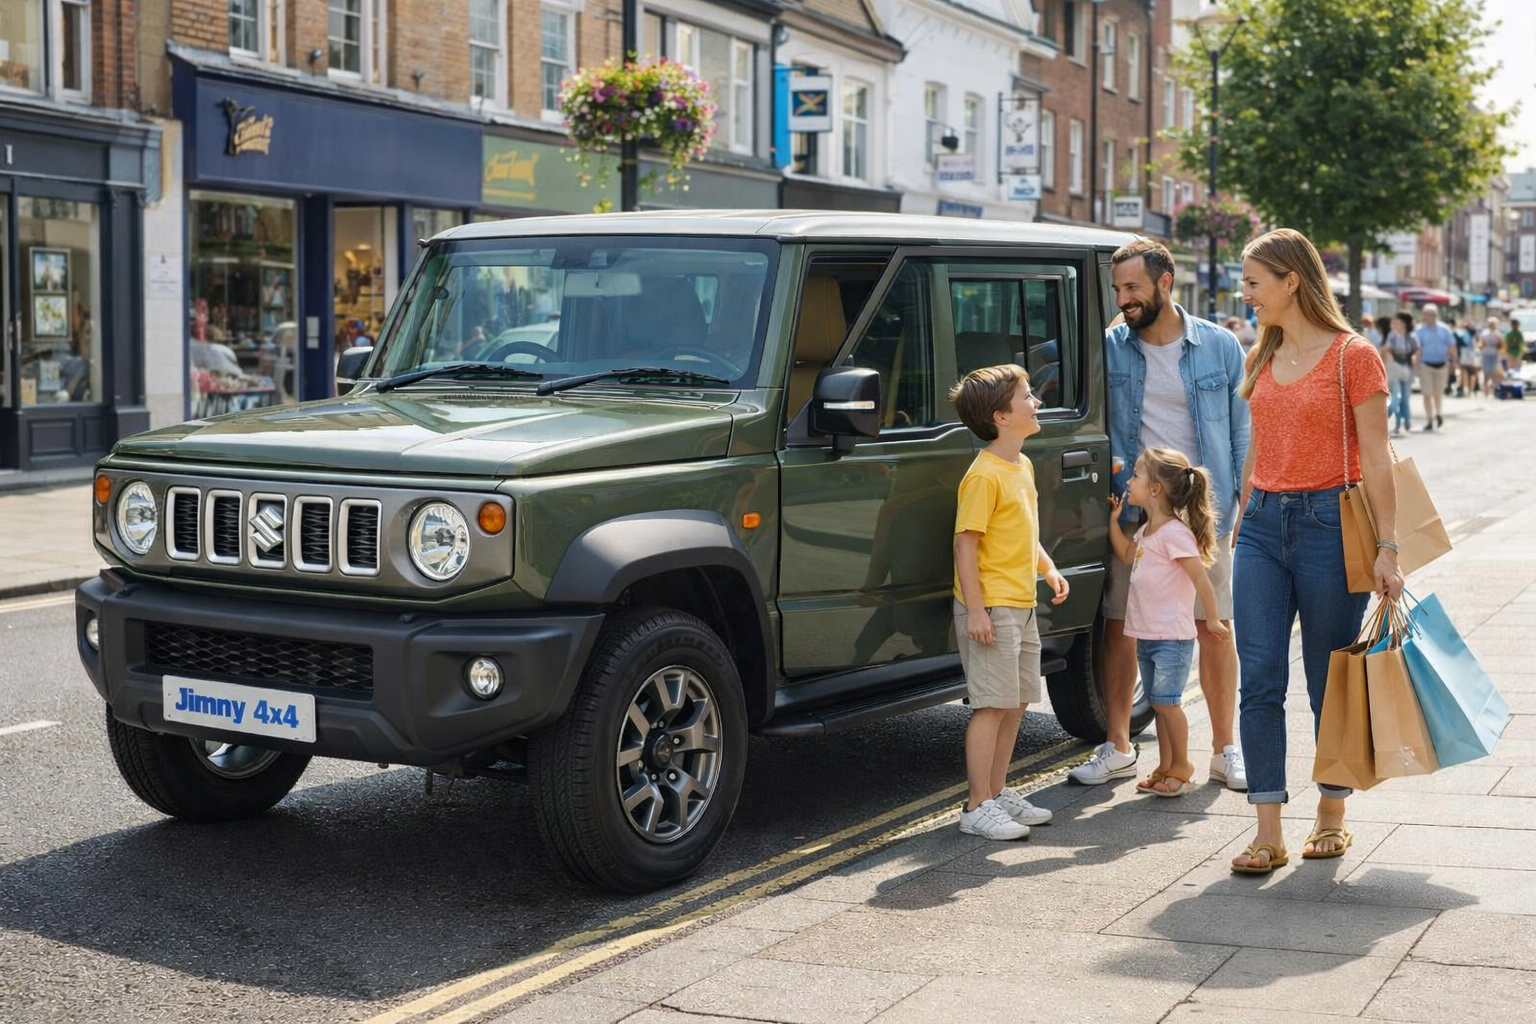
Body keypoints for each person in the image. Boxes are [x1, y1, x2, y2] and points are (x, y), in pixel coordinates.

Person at [1230, 228, 1402, 874]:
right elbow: (1256, 444)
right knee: (1261, 677)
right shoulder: (1261, 353)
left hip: (1331, 525)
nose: (1246, 295)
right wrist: (1245, 515)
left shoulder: (1354, 357)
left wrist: (1388, 546)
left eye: (1253, 283)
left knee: (1327, 682)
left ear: (1289, 281)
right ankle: (1267, 829)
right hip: (1263, 527)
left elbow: (1379, 457)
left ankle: (1332, 812)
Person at [1070, 239, 1250, 792]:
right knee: (1122, 627)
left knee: (1214, 631)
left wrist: (1244, 502)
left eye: (1132, 288)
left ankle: (1225, 750)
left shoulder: (1219, 347)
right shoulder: (1109, 347)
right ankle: (1119, 745)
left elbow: (1243, 427)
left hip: (1203, 519)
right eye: (1117, 289)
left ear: (1165, 283)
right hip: (1136, 519)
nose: (1122, 299)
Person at [948, 363, 1070, 840]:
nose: (1036, 402)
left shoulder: (1022, 465)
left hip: (1020, 603)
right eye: (1027, 396)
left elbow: (1025, 532)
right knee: (991, 706)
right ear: (1001, 416)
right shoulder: (984, 476)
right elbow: (966, 544)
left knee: (1017, 702)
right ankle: (977, 805)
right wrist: (976, 610)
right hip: (993, 607)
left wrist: (1049, 568)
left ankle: (997, 794)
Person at [1106, 447, 1229, 797]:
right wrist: (1114, 523)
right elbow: (1126, 555)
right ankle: (1165, 764)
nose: (1129, 482)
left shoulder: (1175, 534)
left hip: (1171, 637)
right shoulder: (1147, 531)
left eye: (1136, 477)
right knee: (1160, 703)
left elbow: (1202, 580)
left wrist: (1215, 618)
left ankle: (1182, 765)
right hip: (1146, 633)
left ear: (1156, 489)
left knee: (1168, 702)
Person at [1412, 303, 1454, 430]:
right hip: (1426, 364)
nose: (1429, 317)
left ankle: (1438, 414)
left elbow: (1451, 346)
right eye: (1426, 314)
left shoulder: (1444, 329)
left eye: (1432, 314)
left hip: (1442, 364)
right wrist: (1416, 366)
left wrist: (1454, 361)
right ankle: (1430, 419)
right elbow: (1418, 349)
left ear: (1436, 315)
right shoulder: (1419, 330)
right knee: (1426, 393)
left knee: (1438, 393)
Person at [1379, 311, 1417, 436]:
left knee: (1404, 397)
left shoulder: (1410, 337)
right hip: (1395, 368)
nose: (1397, 324)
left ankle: (1405, 421)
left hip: (1406, 369)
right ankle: (1398, 422)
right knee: (1399, 397)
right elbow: (1384, 350)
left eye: (1399, 322)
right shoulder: (1394, 336)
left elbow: (1416, 352)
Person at [1455, 316, 1480, 396]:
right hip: (1467, 354)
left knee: (1468, 372)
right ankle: (1468, 389)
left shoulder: (1464, 332)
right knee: (1468, 372)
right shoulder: (1466, 332)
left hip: (1467, 354)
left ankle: (1468, 389)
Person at [1479, 317, 1504, 396]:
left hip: (1494, 353)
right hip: (1486, 353)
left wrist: (1497, 344)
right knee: (1486, 372)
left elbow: (1501, 345)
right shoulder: (1484, 333)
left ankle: (1494, 389)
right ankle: (1485, 390)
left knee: (1494, 372)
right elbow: (1481, 343)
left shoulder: (1498, 333)